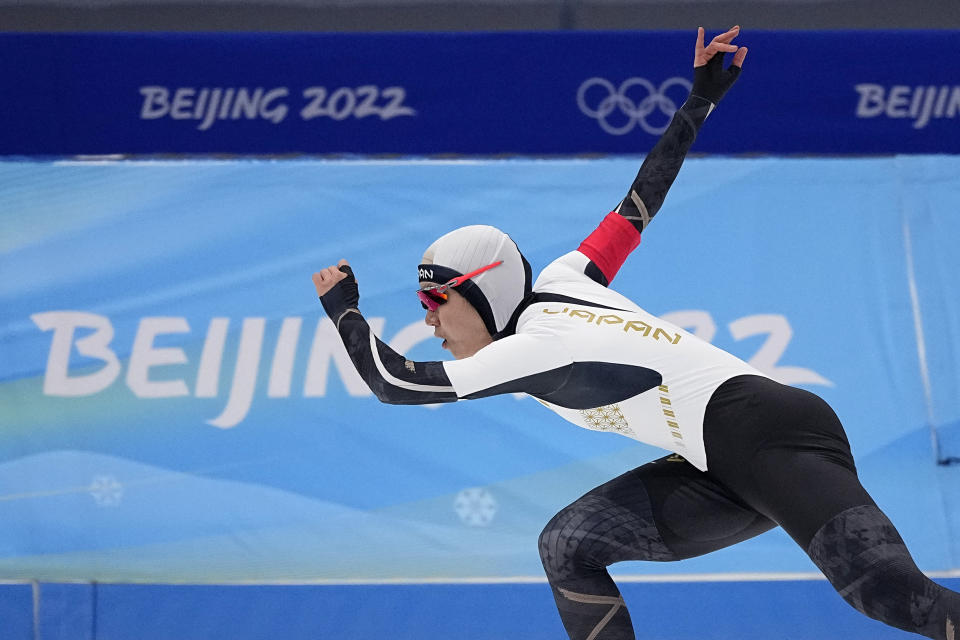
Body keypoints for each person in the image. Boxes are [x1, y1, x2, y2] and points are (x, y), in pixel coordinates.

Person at [312, 26, 960, 640]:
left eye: (437, 300)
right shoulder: (572, 274)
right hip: (716, 464)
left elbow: (397, 382)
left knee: (889, 594)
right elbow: (640, 199)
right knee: (568, 547)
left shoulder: (535, 349)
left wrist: (345, 309)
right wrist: (699, 98)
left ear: (484, 291)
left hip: (770, 434)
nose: (428, 320)